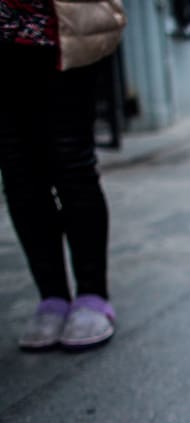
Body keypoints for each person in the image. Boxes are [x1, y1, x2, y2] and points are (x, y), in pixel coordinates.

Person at [0, 0, 126, 350]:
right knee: (17, 170)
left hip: (61, 29)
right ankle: (51, 297)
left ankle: (92, 294)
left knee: (71, 162)